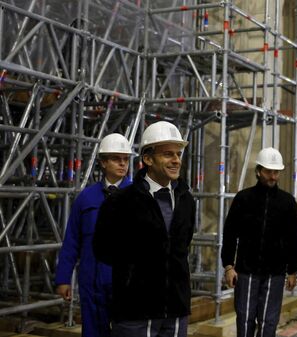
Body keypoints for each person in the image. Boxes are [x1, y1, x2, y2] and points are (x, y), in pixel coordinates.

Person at [93, 121, 194, 337]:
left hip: (176, 308)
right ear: (147, 159)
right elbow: (103, 249)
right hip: (135, 310)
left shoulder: (186, 200)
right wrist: (136, 274)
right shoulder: (120, 201)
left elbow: (183, 245)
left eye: (178, 154)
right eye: (168, 154)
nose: (176, 160)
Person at [55, 133, 133, 337]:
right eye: (116, 159)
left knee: (126, 331)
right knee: (92, 332)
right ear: (103, 162)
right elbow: (72, 239)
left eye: (126, 159)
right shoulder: (86, 197)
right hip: (91, 279)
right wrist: (63, 278)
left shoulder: (138, 196)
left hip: (126, 281)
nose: (122, 164)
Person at [221, 147, 297, 337]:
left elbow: (294, 237)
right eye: (268, 172)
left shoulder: (288, 202)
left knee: (269, 322)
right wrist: (228, 266)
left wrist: (293, 270)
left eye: (276, 172)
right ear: (258, 171)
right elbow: (230, 234)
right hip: (246, 272)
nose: (272, 176)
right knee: (245, 318)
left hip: (275, 273)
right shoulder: (243, 199)